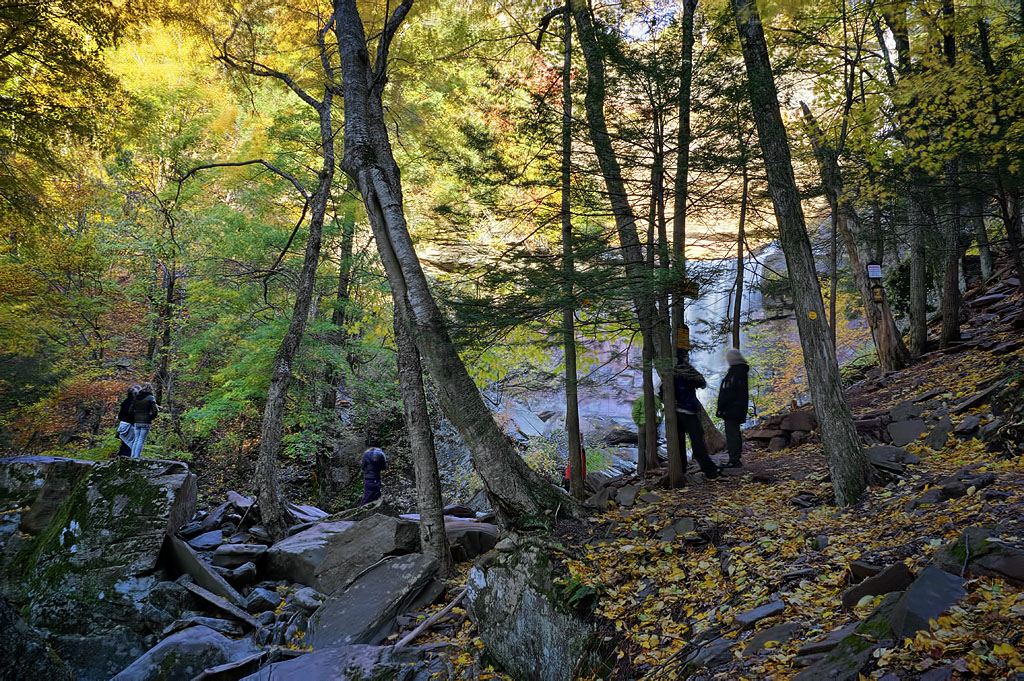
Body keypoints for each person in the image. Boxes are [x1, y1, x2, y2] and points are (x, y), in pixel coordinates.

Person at [673, 350, 720, 479]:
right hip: (689, 411)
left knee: (679, 443)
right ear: (684, 356)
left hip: (675, 413)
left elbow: (660, 391)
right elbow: (702, 383)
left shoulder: (670, 371)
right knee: (698, 441)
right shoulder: (687, 370)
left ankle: (681, 469)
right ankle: (710, 471)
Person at [717, 349, 750, 468]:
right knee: (734, 433)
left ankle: (734, 460)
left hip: (731, 410)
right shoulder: (740, 371)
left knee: (732, 435)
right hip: (736, 409)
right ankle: (735, 458)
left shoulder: (736, 372)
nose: (728, 360)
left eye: (729, 358)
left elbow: (728, 392)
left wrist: (721, 408)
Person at [129, 382, 159, 458]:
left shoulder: (136, 397)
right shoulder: (150, 398)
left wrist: (135, 417)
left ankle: (132, 456)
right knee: (141, 440)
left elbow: (130, 411)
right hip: (146, 421)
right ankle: (136, 457)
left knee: (136, 439)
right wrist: (150, 417)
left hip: (136, 421)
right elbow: (155, 411)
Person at [632, 393, 662, 463]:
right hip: (654, 425)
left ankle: (641, 470)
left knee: (641, 448)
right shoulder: (657, 399)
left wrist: (638, 422)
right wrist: (658, 421)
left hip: (642, 424)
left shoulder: (640, 399)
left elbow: (635, 413)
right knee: (652, 447)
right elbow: (661, 412)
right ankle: (651, 465)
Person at [359, 437, 388, 505]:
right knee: (376, 496)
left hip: (368, 478)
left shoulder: (366, 454)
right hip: (377, 478)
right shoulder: (381, 454)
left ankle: (362, 512)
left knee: (366, 497)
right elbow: (384, 467)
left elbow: (362, 466)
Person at [116, 385, 140, 457]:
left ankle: (119, 461)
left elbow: (120, 416)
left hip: (123, 426)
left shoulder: (125, 402)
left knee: (124, 445)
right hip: (130, 427)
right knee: (129, 447)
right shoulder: (135, 403)